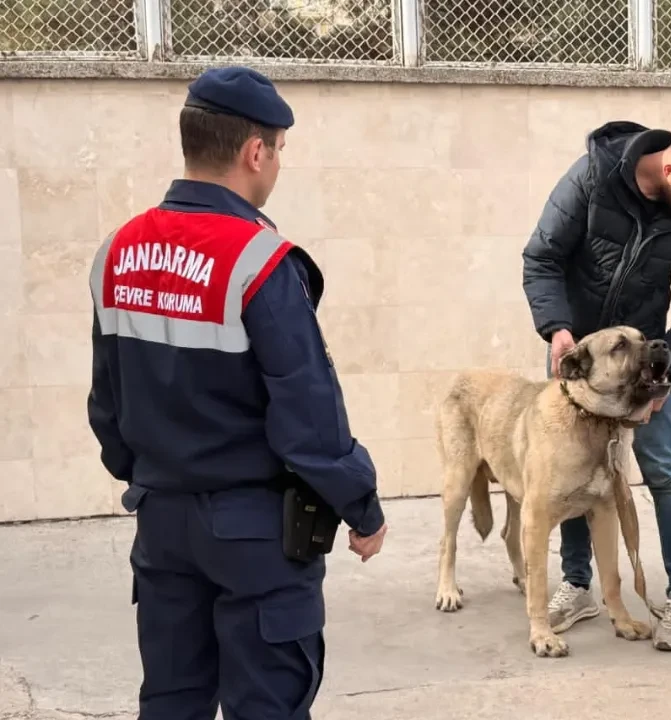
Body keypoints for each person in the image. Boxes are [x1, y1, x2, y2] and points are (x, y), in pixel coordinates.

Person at [86, 66, 388, 719]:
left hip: (161, 522)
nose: (277, 163)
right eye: (278, 149)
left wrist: (154, 476)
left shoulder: (116, 253)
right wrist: (361, 506)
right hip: (255, 533)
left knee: (171, 701)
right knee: (268, 704)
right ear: (256, 151)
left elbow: (107, 404)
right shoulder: (259, 261)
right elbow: (309, 416)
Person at [521, 121, 671, 651]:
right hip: (580, 358)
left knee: (663, 470)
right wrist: (557, 328)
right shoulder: (593, 177)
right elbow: (542, 256)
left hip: (643, 364)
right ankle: (577, 585)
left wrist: (668, 371)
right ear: (670, 166)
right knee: (567, 472)